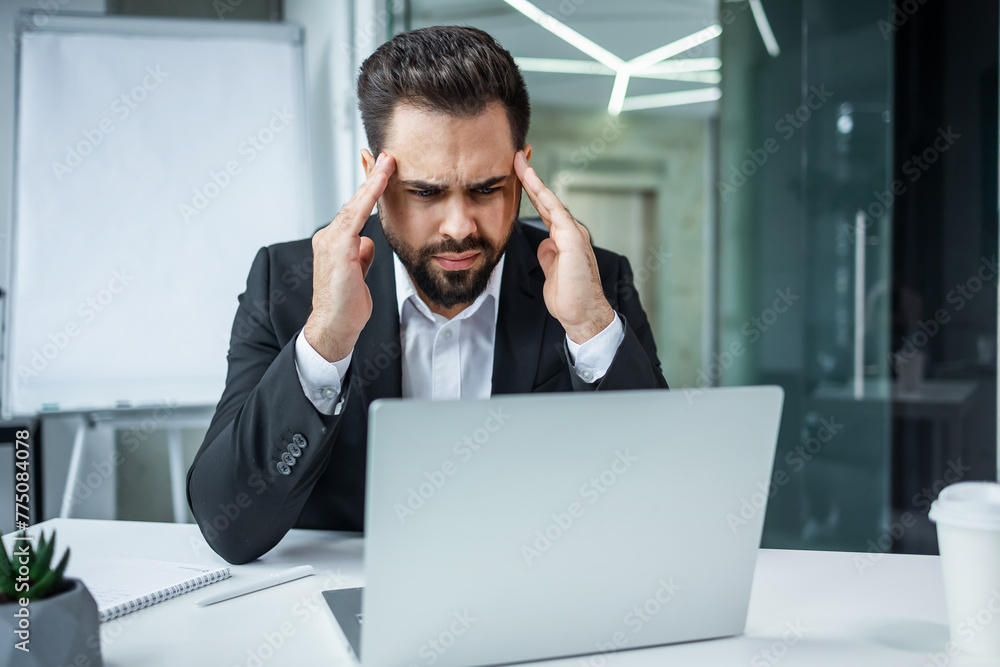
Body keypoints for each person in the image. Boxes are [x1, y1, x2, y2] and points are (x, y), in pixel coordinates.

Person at [186, 25, 668, 565]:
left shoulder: (595, 280)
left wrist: (590, 328)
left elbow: (664, 505)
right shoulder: (288, 283)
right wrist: (325, 341)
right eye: (424, 192)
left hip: (539, 599)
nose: (459, 226)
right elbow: (229, 525)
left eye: (487, 189)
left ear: (523, 168)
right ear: (374, 177)